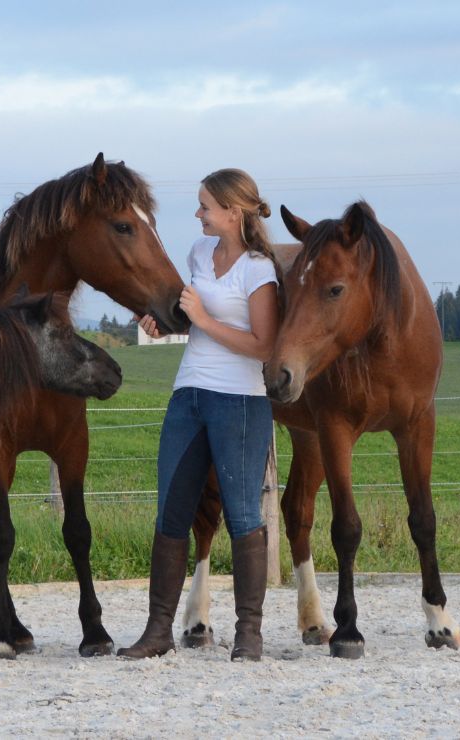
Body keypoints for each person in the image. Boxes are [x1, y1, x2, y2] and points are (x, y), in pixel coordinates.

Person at [119, 168, 281, 662]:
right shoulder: (197, 253)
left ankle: (249, 635)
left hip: (241, 402)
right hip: (188, 395)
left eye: (205, 206)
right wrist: (166, 324)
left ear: (233, 213)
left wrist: (205, 320)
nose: (198, 214)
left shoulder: (259, 270)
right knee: (171, 512)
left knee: (243, 515)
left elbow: (263, 346)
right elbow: (196, 328)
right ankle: (157, 632)